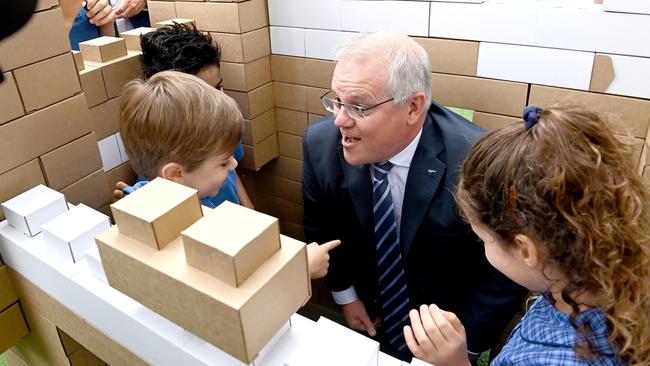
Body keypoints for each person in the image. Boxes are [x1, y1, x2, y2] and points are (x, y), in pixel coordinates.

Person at [302, 31, 527, 362]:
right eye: (337, 100)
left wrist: (462, 348)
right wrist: (346, 296)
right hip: (369, 318)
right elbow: (321, 231)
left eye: (359, 106)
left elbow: (505, 272)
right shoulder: (320, 145)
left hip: (445, 332)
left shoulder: (476, 164)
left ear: (413, 107)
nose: (339, 120)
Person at [404, 105, 650, 365]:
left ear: (526, 251)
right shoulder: (592, 284)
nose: (484, 246)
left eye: (484, 238)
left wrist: (454, 364)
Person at [120, 71, 340, 280]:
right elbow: (220, 292)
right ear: (175, 173)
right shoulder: (187, 229)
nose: (234, 164)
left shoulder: (146, 203)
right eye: (224, 161)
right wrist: (298, 270)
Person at [114, 23, 252, 209]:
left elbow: (232, 173)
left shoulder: (221, 123)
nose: (218, 100)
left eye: (218, 87)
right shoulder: (168, 149)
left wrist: (251, 212)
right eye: (204, 95)